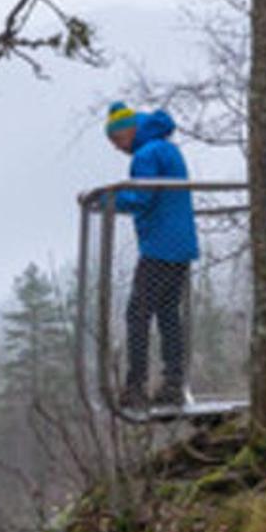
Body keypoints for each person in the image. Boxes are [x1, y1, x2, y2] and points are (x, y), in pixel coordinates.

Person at [101, 101, 198, 409]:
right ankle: (173, 381)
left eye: (117, 140)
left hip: (159, 247)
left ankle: (136, 386)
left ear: (129, 130)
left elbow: (142, 197)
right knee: (168, 313)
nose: (118, 148)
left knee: (138, 313)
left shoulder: (146, 154)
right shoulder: (166, 148)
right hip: (180, 246)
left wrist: (108, 199)